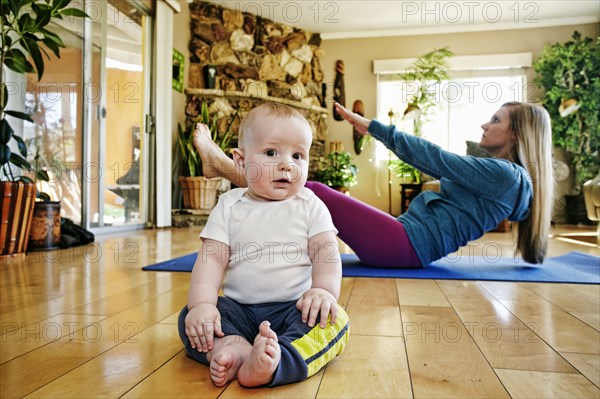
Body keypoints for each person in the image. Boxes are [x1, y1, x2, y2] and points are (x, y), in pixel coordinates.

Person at [193, 101, 553, 267]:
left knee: (314, 193)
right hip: (405, 237)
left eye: (495, 120)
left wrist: (375, 128)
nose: (484, 126)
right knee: (314, 203)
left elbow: (435, 158)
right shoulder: (513, 183)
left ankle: (222, 165)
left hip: (405, 246)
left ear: (517, 133)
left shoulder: (505, 176)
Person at [178, 103, 350, 388]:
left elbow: (326, 253)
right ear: (241, 162)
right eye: (271, 153)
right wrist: (203, 306)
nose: (287, 164)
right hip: (239, 310)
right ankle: (234, 349)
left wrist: (322, 291)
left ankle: (276, 361)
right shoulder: (230, 205)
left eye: (298, 155)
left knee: (335, 320)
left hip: (295, 309)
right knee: (191, 317)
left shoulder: (310, 205)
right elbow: (212, 260)